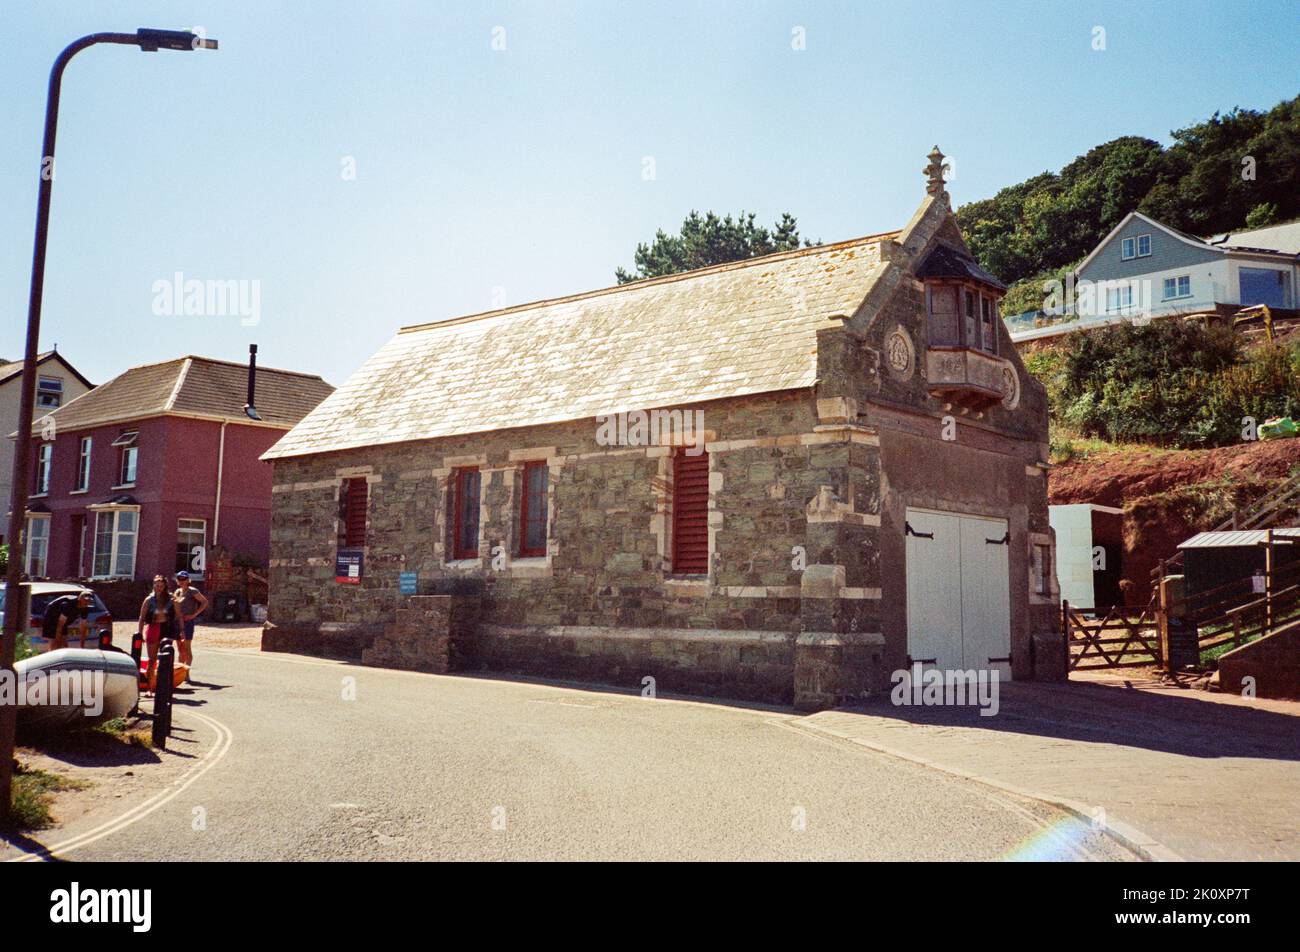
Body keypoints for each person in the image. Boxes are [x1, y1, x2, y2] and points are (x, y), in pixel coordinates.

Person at [137, 575, 178, 689]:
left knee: (166, 659)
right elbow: (142, 617)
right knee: (152, 660)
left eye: (161, 585)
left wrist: (182, 631)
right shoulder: (149, 600)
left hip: (167, 628)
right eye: (156, 585)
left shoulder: (171, 598)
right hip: (153, 627)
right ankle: (150, 687)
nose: (159, 587)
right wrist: (139, 633)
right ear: (153, 586)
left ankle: (163, 687)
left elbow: (178, 616)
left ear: (165, 586)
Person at [172, 570, 208, 675]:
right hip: (178, 622)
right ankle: (179, 672)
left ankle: (186, 673)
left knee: (186, 647)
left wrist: (194, 614)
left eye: (184, 579)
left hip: (187, 622)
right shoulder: (177, 592)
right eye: (180, 579)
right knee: (180, 649)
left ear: (188, 580)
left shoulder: (192, 591)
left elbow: (204, 602)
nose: (182, 581)